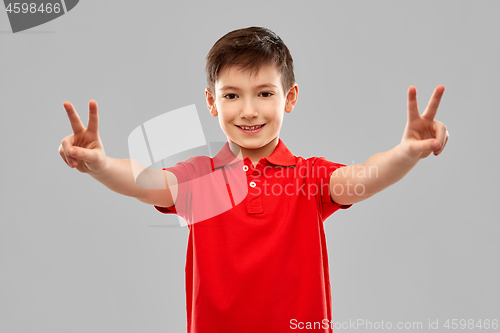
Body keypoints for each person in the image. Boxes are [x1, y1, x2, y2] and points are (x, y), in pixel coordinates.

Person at [58, 26, 449, 333]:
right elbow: (144, 182)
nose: (248, 110)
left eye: (264, 93)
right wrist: (99, 164)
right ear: (212, 101)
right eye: (231, 96)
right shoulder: (200, 178)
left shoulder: (309, 177)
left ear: (289, 98)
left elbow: (366, 175)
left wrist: (406, 152)